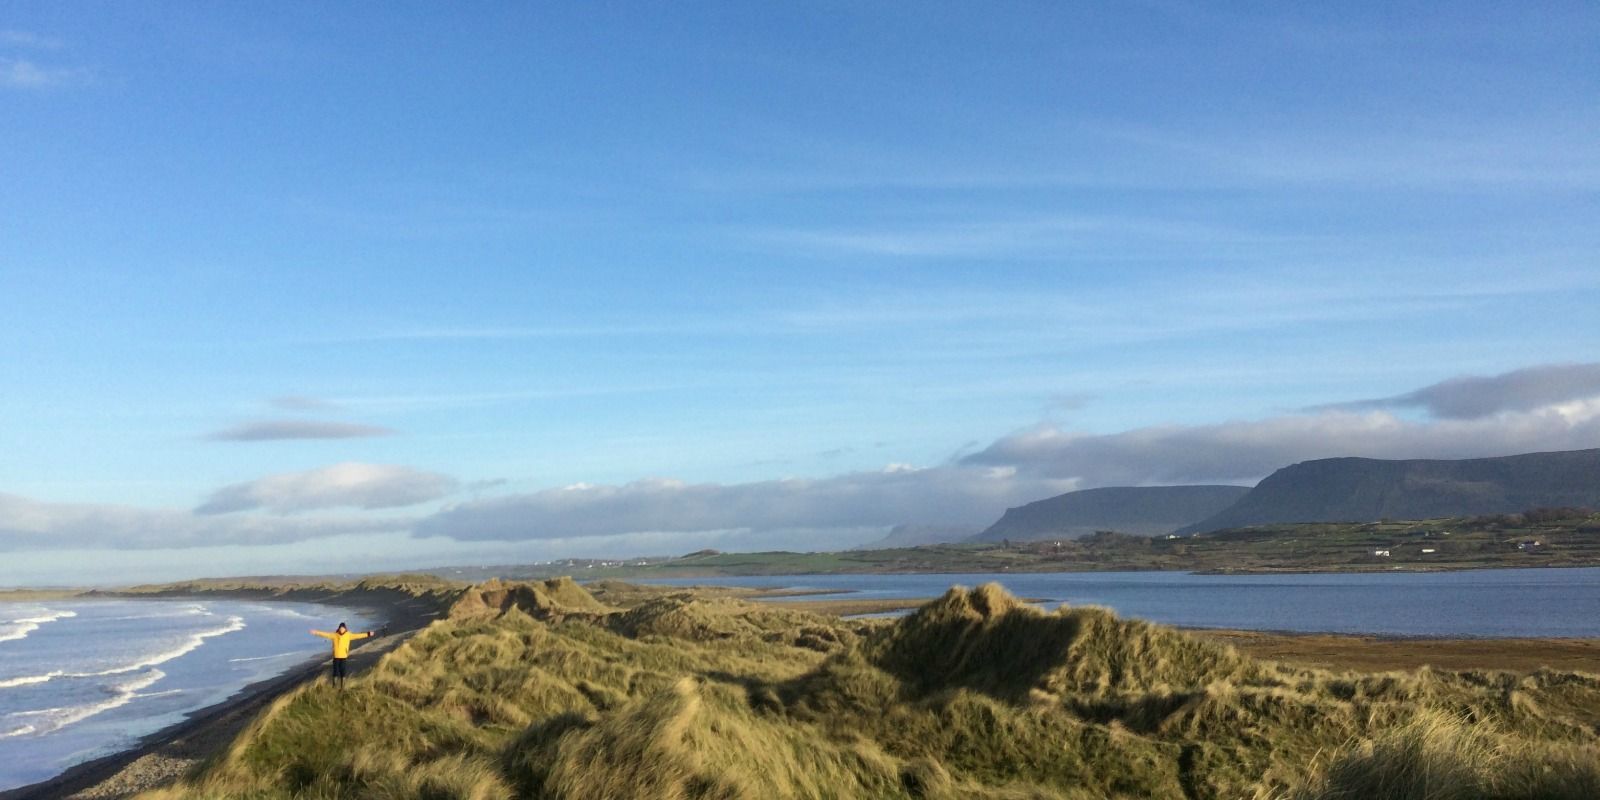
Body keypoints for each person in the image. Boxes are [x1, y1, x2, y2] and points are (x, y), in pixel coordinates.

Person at [310, 622, 379, 689]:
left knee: (343, 671)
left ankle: (342, 687)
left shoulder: (348, 635)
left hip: (343, 656)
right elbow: (325, 634)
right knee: (335, 672)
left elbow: (358, 636)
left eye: (343, 628)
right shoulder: (334, 635)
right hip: (336, 656)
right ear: (339, 628)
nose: (341, 629)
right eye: (340, 628)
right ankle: (334, 686)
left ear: (345, 628)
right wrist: (316, 632)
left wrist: (368, 634)